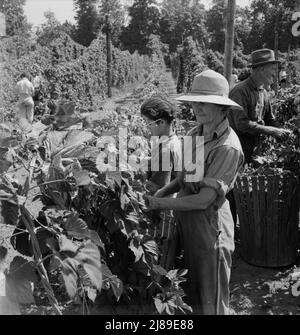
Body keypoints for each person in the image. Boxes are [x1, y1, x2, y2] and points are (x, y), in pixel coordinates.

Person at [144, 70, 244, 315]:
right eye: (194, 102)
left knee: (213, 301)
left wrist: (159, 204)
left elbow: (205, 199)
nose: (196, 108)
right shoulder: (194, 134)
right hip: (189, 227)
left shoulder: (227, 147)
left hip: (212, 231)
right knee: (195, 297)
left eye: (204, 103)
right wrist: (160, 195)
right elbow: (182, 179)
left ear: (222, 108)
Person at [228, 49, 291, 165]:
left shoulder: (263, 92)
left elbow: (269, 119)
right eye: (273, 69)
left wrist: (285, 132)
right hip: (236, 152)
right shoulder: (240, 92)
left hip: (254, 152)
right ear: (262, 69)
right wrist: (272, 131)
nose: (275, 73)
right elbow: (242, 124)